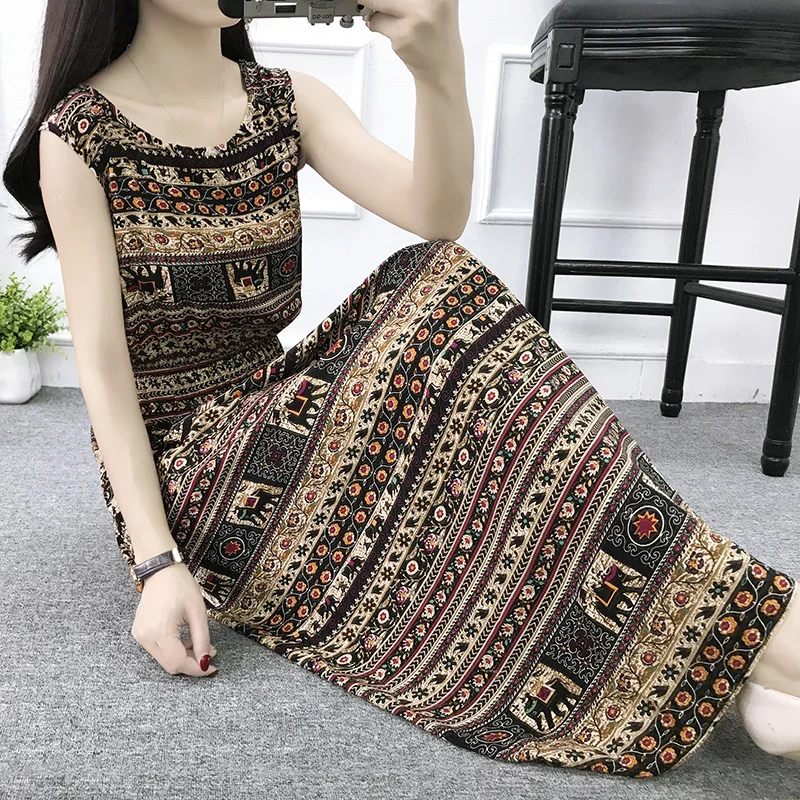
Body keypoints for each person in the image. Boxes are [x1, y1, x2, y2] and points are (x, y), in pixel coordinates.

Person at [4, 0, 799, 779]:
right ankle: (770, 637)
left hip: (278, 398)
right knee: (427, 411)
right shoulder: (79, 136)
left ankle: (748, 646)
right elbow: (103, 368)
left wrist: (437, 67)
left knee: (442, 296)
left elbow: (435, 215)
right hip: (191, 469)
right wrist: (156, 564)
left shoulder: (285, 102)